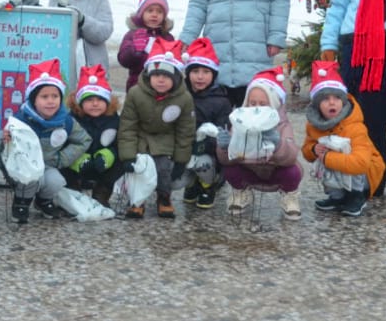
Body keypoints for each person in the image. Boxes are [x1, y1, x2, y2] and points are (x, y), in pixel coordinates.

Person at [6, 59, 92, 224]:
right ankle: (21, 202)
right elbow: (7, 143)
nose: (50, 101)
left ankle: (43, 200)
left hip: (48, 165)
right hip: (25, 167)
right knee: (30, 179)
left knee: (56, 181)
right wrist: (7, 141)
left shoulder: (65, 121)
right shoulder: (21, 120)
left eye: (55, 96)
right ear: (34, 99)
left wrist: (62, 158)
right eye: (44, 97)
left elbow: (83, 140)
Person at [118, 39, 195, 219]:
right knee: (139, 167)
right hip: (141, 138)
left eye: (167, 76)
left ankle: (164, 197)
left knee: (163, 168)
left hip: (165, 139)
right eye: (156, 75)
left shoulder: (184, 98)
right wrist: (128, 155)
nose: (161, 80)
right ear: (148, 75)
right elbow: (127, 126)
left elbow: (185, 131)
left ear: (176, 78)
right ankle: (137, 200)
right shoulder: (135, 93)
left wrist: (181, 159)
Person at [216, 66, 303, 220]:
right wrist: (224, 147)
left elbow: (291, 155)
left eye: (263, 104)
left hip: (275, 171)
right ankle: (241, 192)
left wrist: (278, 145)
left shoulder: (282, 125)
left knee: (293, 171)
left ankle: (290, 196)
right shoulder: (239, 123)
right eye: (252, 103)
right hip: (249, 170)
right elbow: (227, 159)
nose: (257, 108)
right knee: (230, 170)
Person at [302, 61, 385, 217]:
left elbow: (360, 163)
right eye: (326, 99)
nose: (332, 102)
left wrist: (327, 157)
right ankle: (337, 197)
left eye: (337, 98)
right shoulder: (314, 126)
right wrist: (313, 150)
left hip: (365, 172)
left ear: (343, 101)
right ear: (318, 105)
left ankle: (356, 196)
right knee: (322, 159)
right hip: (337, 166)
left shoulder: (355, 127)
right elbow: (306, 152)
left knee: (345, 156)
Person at [64, 64, 124, 207]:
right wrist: (75, 158)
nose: (95, 104)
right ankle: (73, 192)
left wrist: (110, 154)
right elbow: (63, 143)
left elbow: (119, 143)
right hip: (78, 162)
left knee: (121, 161)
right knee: (62, 164)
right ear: (80, 102)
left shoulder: (114, 119)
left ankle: (101, 193)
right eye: (89, 100)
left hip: (102, 163)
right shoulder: (71, 119)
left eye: (100, 99)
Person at [181, 37, 231, 209]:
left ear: (214, 74)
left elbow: (221, 131)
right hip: (182, 147)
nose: (200, 77)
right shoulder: (180, 96)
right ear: (187, 73)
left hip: (207, 151)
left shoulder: (221, 101)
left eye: (206, 72)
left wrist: (204, 145)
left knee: (203, 162)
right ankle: (191, 183)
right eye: (195, 71)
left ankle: (208, 185)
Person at [117, 0, 175, 92]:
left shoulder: (167, 37)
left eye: (159, 12)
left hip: (162, 87)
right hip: (137, 85)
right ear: (141, 13)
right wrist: (135, 52)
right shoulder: (132, 35)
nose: (154, 14)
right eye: (150, 11)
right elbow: (124, 60)